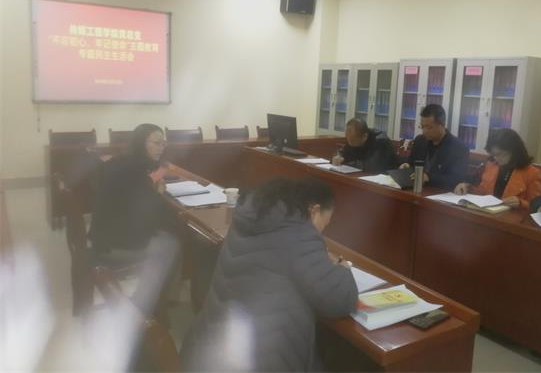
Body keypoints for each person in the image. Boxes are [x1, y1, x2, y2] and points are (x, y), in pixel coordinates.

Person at [180, 177, 358, 372]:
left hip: (211, 347)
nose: (320, 232)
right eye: (324, 224)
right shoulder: (299, 234)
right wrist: (342, 267)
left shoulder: (252, 218)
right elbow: (340, 301)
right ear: (314, 211)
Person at [89, 123, 180, 317]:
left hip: (104, 235)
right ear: (141, 143)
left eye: (163, 143)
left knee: (170, 234)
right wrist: (158, 193)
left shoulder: (122, 161)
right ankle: (143, 306)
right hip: (112, 245)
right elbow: (150, 212)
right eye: (156, 143)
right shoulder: (133, 171)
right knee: (170, 243)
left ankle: (164, 298)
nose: (161, 147)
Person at [454, 128, 541, 209]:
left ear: (514, 151)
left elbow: (538, 207)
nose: (496, 158)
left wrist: (521, 203)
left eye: (500, 154)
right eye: (493, 154)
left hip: (513, 219)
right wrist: (468, 188)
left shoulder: (532, 173)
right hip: (489, 214)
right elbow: (483, 193)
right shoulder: (492, 166)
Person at [400, 104, 469, 190]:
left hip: (440, 193)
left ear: (442, 125)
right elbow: (411, 164)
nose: (424, 131)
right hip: (415, 189)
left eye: (429, 127)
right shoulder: (419, 141)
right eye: (422, 126)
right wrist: (406, 167)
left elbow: (456, 179)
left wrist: (429, 178)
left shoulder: (459, 148)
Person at [332, 118, 398, 173]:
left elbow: (372, 166)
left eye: (353, 141)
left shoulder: (380, 141)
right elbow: (344, 152)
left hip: (384, 178)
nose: (350, 143)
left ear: (364, 136)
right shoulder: (353, 138)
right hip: (361, 176)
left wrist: (347, 162)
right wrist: (339, 157)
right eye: (348, 139)